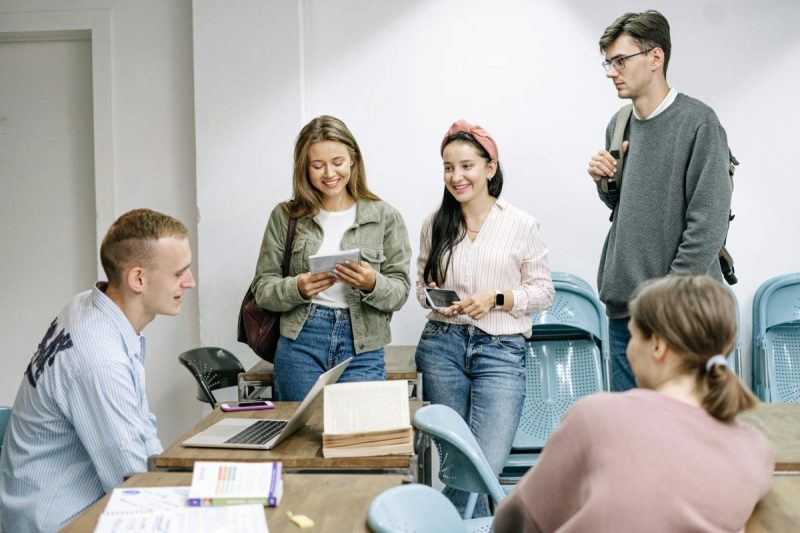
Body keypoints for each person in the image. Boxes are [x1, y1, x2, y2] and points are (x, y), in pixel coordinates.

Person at [494, 275, 773, 532]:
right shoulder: (755, 449)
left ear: (657, 346)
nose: (628, 349)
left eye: (633, 335)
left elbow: (517, 520)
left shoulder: (597, 416)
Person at [0, 209, 196, 532]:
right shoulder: (100, 359)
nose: (189, 282)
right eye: (179, 273)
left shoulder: (89, 305)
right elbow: (134, 486)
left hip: (53, 504)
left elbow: (140, 433)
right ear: (138, 279)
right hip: (58, 521)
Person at [586, 10, 734, 392]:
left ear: (655, 58)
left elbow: (708, 226)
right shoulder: (618, 124)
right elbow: (628, 209)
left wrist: (664, 302)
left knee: (687, 439)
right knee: (630, 439)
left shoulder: (699, 123)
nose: (610, 71)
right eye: (608, 61)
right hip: (625, 315)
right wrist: (607, 184)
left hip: (681, 317)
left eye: (620, 60)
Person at [415, 119, 554, 517]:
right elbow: (420, 289)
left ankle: (432, 523)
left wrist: (497, 298)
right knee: (457, 465)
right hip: (442, 347)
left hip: (501, 351)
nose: (456, 177)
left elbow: (543, 292)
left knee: (483, 466)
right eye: (447, 167)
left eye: (466, 166)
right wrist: (435, 299)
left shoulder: (521, 224)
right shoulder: (435, 224)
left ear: (490, 168)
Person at [252, 115, 411, 401]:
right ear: (304, 168)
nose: (329, 173)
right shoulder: (285, 217)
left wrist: (372, 283)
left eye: (337, 162)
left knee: (356, 439)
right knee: (298, 440)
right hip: (301, 341)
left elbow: (400, 292)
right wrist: (297, 288)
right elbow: (263, 289)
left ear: (353, 159)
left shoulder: (385, 216)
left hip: (363, 345)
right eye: (317, 165)